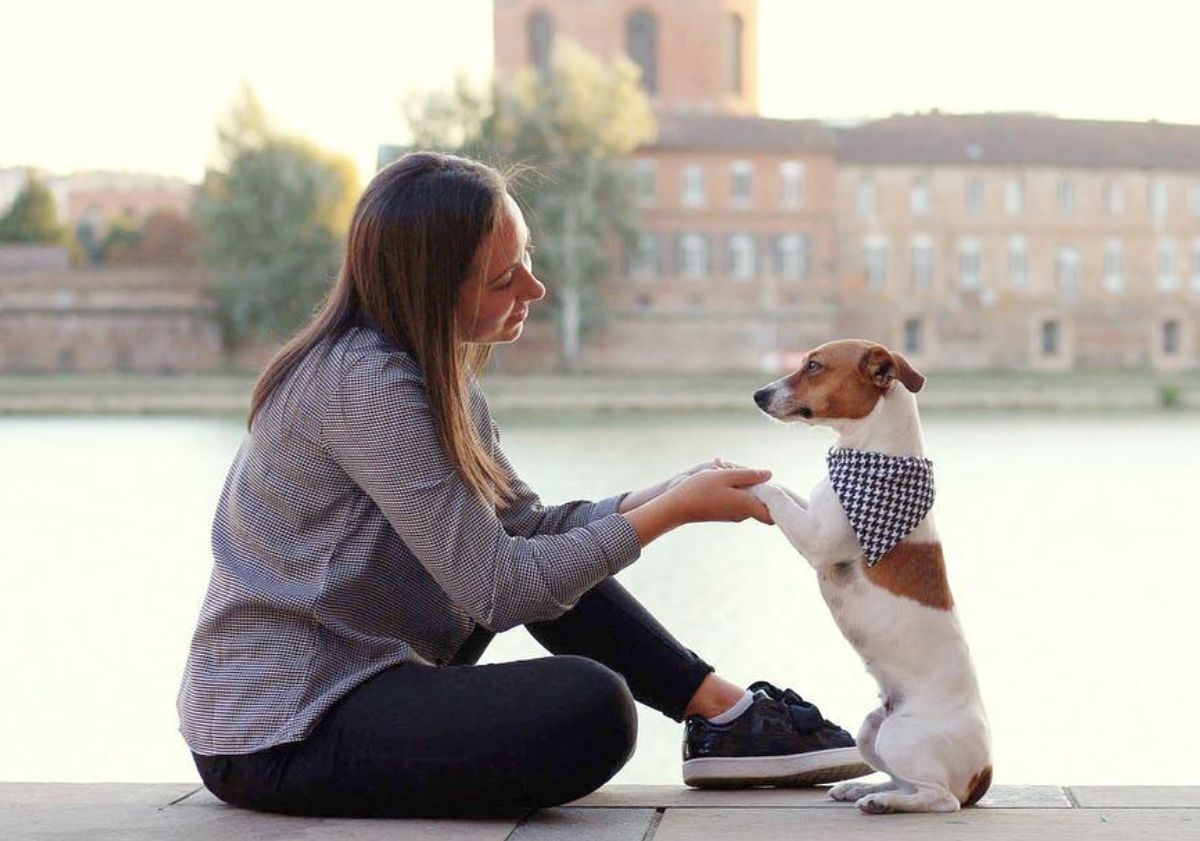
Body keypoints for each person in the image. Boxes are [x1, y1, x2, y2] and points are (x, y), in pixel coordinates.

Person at [178, 151, 868, 819]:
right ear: (433, 285)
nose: (534, 290)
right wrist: (672, 515)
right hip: (282, 726)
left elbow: (527, 529)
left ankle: (729, 715)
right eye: (503, 278)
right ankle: (724, 714)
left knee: (557, 562)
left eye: (527, 260)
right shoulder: (365, 385)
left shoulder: (432, 376)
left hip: (361, 680)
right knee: (591, 707)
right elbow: (501, 589)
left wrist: (664, 492)